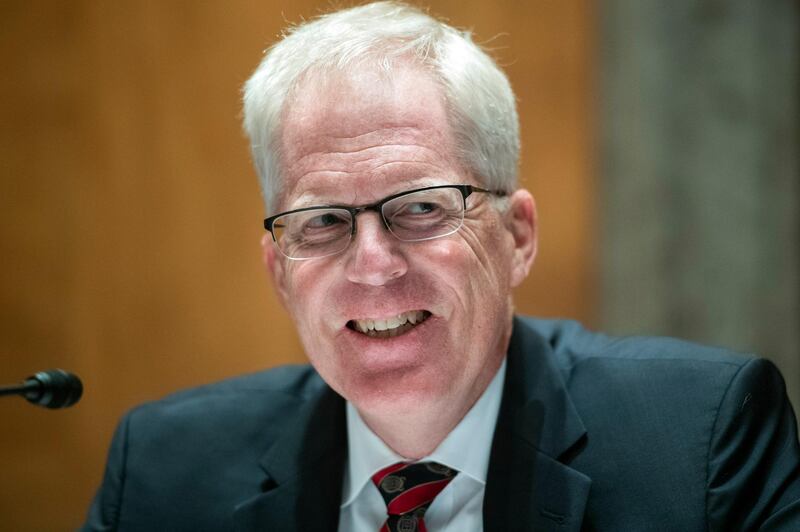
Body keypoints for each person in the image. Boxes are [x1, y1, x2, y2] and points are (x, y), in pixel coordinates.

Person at [82, 2, 800, 531]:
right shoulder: (161, 471)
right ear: (278, 272)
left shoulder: (701, 440)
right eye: (324, 221)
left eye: (421, 208)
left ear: (516, 236)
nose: (371, 266)